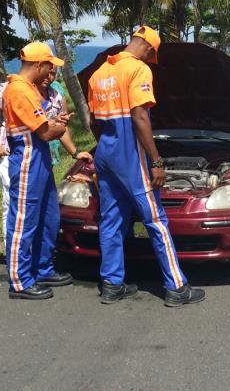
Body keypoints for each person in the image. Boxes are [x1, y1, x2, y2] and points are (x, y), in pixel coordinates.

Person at [87, 25, 205, 307]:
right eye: (153, 56)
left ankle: (112, 285)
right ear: (149, 48)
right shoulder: (138, 70)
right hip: (130, 155)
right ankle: (177, 287)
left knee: (111, 219)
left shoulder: (99, 73)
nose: (151, 61)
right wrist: (156, 160)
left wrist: (106, 147)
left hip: (105, 152)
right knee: (156, 220)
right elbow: (140, 116)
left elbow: (92, 121)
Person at [0, 65, 91, 252]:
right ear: (38, 68)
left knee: (43, 208)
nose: (49, 76)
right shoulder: (13, 88)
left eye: (53, 73)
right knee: (15, 206)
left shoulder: (55, 95)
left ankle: (38, 256)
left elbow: (58, 129)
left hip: (39, 158)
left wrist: (74, 152)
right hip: (11, 155)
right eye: (47, 71)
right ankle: (14, 253)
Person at [1, 42, 73, 299]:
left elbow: (44, 125)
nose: (51, 72)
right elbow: (46, 132)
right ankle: (20, 280)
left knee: (48, 216)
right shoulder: (19, 90)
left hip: (40, 159)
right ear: (39, 65)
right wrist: (59, 126)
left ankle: (42, 268)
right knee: (24, 220)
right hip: (27, 158)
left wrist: (54, 124)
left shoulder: (29, 88)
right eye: (49, 66)